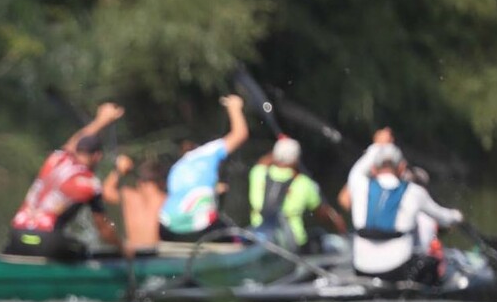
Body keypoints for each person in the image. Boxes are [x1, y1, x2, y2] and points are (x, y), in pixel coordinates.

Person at [3, 102, 125, 259]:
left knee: (38, 244)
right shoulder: (91, 183)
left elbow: (72, 143)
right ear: (98, 156)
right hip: (46, 241)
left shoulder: (55, 159)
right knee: (82, 250)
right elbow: (104, 229)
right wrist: (123, 249)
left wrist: (101, 120)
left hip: (17, 236)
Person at [337, 129, 461, 282]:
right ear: (401, 168)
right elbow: (445, 218)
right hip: (398, 271)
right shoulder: (414, 192)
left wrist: (377, 146)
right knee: (432, 263)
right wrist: (457, 216)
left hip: (362, 269)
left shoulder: (359, 185)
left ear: (374, 169)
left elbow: (358, 170)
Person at [158, 94, 249, 241]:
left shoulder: (175, 169)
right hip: (200, 225)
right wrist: (234, 107)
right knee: (236, 238)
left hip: (167, 226)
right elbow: (240, 134)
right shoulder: (207, 152)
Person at [247, 136, 347, 250]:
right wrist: (336, 220)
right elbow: (321, 213)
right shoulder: (304, 183)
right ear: (296, 159)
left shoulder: (257, 173)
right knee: (320, 234)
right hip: (293, 245)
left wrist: (279, 149)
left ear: (275, 155)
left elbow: (262, 162)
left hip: (260, 239)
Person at [101, 153, 167, 253]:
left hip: (133, 255)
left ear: (139, 182)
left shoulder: (129, 198)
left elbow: (105, 191)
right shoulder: (165, 199)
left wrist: (118, 170)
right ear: (163, 182)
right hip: (155, 255)